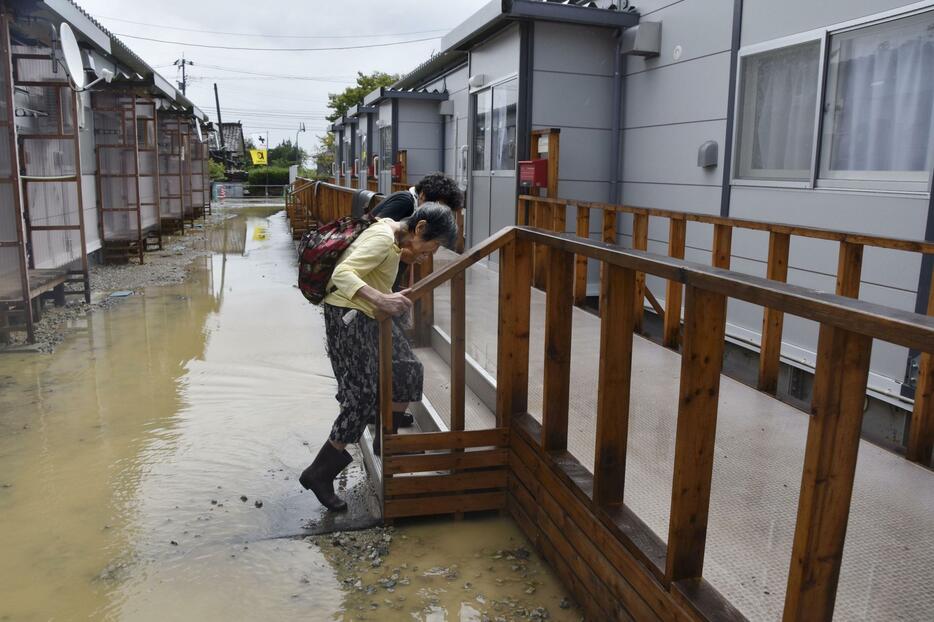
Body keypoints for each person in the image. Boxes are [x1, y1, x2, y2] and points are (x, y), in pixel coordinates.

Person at [300, 203, 458, 512]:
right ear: (420, 228)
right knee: (362, 397)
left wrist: (385, 298)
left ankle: (387, 442)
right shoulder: (383, 238)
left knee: (408, 370)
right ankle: (319, 473)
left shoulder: (394, 235)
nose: (429, 255)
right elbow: (342, 273)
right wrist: (381, 298)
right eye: (431, 247)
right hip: (348, 317)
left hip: (369, 316)